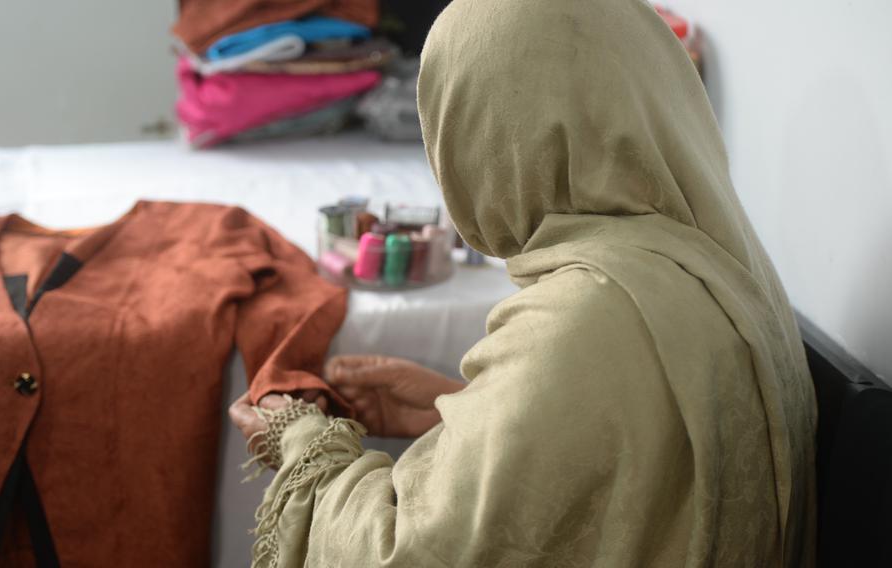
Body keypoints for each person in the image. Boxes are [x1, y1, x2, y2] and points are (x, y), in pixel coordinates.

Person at [228, 0, 818, 565]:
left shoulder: (586, 315)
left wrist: (301, 440)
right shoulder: (724, 270)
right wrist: (467, 415)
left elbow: (403, 556)